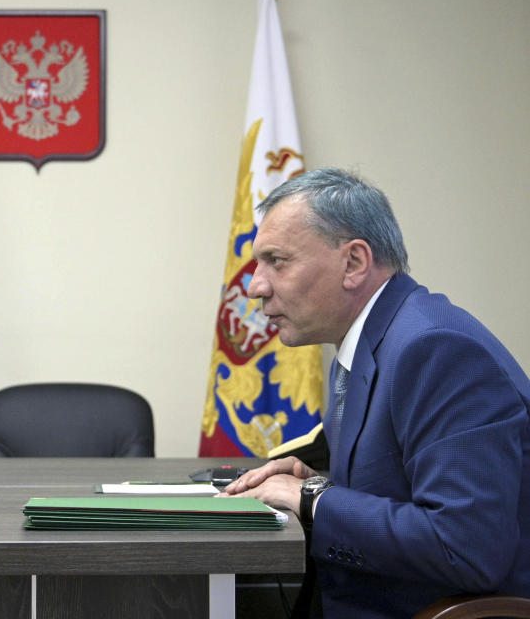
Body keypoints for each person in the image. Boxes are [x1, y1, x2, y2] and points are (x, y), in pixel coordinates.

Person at [220, 168, 530, 617]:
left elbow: (465, 547)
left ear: (354, 263)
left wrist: (311, 500)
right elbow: (403, 490)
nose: (255, 287)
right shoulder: (372, 340)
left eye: (277, 261)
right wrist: (319, 484)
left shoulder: (435, 348)